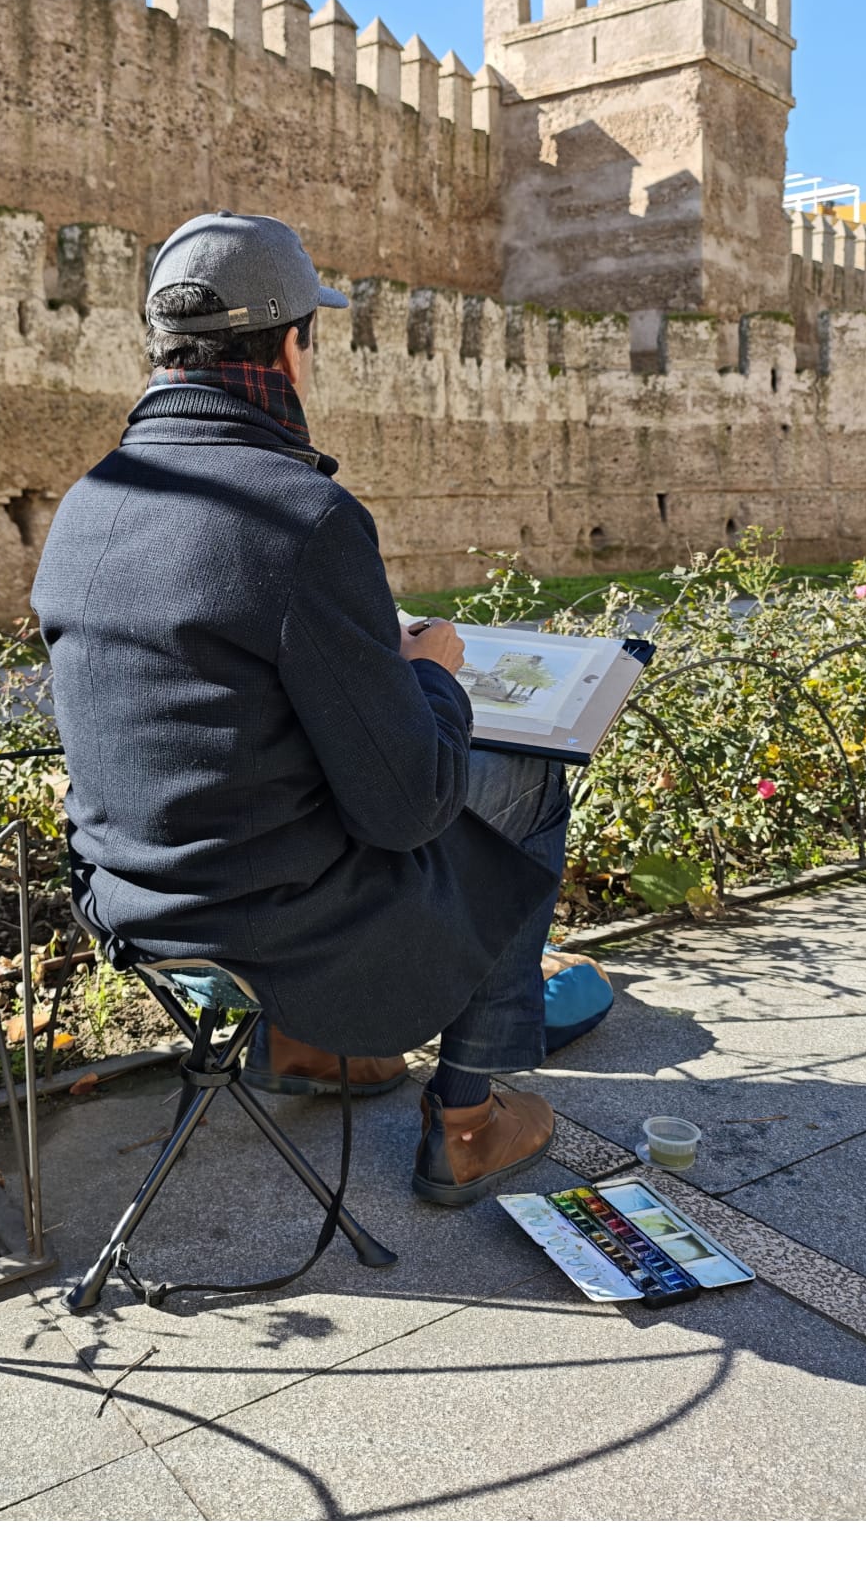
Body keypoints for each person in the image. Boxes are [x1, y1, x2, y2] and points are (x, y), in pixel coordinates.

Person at [32, 210, 573, 1204]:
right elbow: (407, 807)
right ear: (289, 348)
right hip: (276, 924)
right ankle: (466, 1121)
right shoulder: (299, 512)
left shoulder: (86, 501)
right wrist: (431, 674)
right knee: (531, 778)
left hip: (126, 901)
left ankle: (308, 1047)